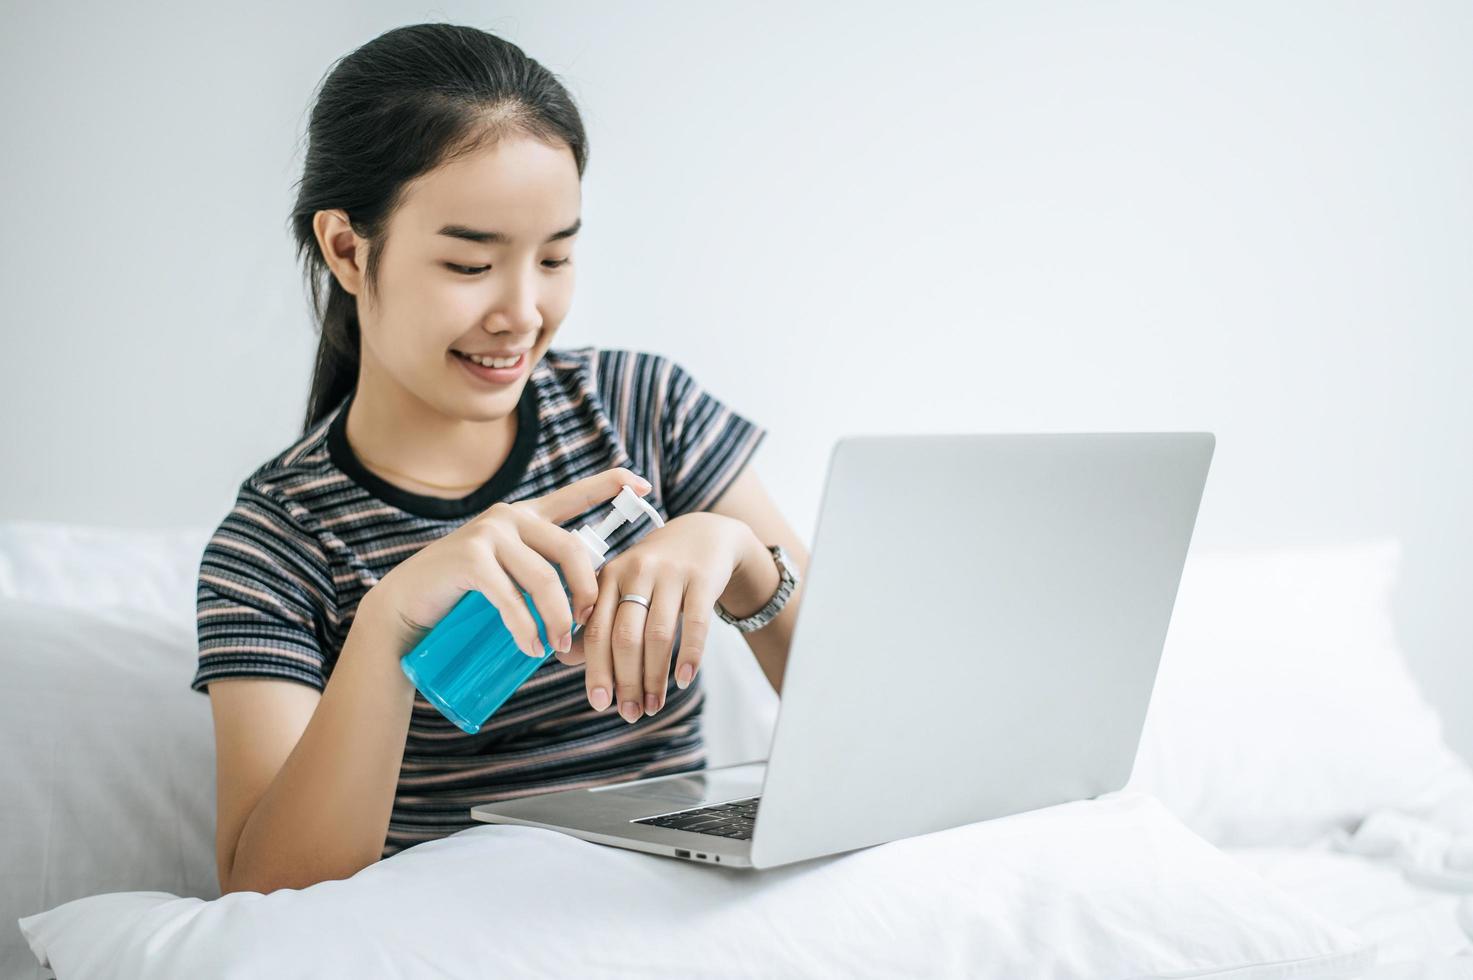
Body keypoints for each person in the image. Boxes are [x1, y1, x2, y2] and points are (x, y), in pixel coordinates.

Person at [193, 23, 808, 896]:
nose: (523, 312)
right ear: (346, 249)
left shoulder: (643, 413)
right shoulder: (276, 546)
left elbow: (873, 729)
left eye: (555, 256)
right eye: (470, 262)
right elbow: (265, 892)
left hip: (691, 913)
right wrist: (389, 623)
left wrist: (744, 562)